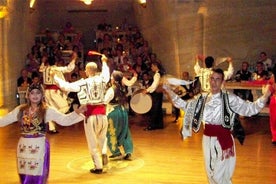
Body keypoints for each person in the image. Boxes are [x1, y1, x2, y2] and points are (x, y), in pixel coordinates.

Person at [163, 68, 271, 184]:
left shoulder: (230, 98)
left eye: (217, 79)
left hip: (224, 141)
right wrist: (169, 91)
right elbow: (185, 105)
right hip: (207, 140)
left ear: (222, 82)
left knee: (220, 175)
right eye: (212, 79)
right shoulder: (202, 98)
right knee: (210, 173)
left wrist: (265, 96)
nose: (214, 82)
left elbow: (250, 109)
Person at [0, 83, 84, 184]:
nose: (35, 96)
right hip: (23, 147)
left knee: (38, 175)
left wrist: (77, 113)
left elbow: (64, 120)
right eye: (32, 93)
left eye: (38, 93)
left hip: (38, 146)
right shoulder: (20, 110)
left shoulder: (47, 110)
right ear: (28, 95)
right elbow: (3, 121)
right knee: (24, 175)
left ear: (42, 95)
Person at [54, 54, 110, 174]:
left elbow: (66, 86)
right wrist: (104, 61)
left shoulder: (83, 82)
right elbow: (106, 73)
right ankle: (105, 152)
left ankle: (98, 166)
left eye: (86, 69)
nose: (84, 71)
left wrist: (55, 77)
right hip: (103, 114)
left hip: (91, 115)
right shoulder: (102, 79)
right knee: (102, 137)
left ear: (89, 71)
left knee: (92, 143)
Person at [39, 52, 77, 133]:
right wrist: (73, 59)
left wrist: (42, 61)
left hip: (47, 92)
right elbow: (69, 68)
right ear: (55, 62)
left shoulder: (44, 68)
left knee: (50, 108)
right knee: (65, 106)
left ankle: (52, 128)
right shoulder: (56, 69)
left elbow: (40, 69)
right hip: (54, 91)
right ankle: (54, 117)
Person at [105, 70, 134, 160]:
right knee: (125, 132)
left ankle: (116, 152)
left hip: (114, 113)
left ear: (113, 79)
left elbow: (104, 101)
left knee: (111, 132)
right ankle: (128, 151)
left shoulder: (111, 89)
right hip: (123, 111)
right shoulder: (122, 88)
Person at [142, 61, 164, 131]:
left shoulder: (157, 74)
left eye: (152, 66)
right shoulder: (161, 73)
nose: (151, 68)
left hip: (157, 93)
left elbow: (154, 85)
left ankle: (152, 125)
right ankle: (159, 125)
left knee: (155, 109)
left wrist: (147, 90)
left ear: (155, 66)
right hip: (159, 93)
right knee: (158, 109)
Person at [268, 65, 276, 145]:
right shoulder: (272, 79)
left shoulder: (272, 79)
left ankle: (275, 138)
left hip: (274, 100)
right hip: (274, 99)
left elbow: (268, 90)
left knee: (274, 120)